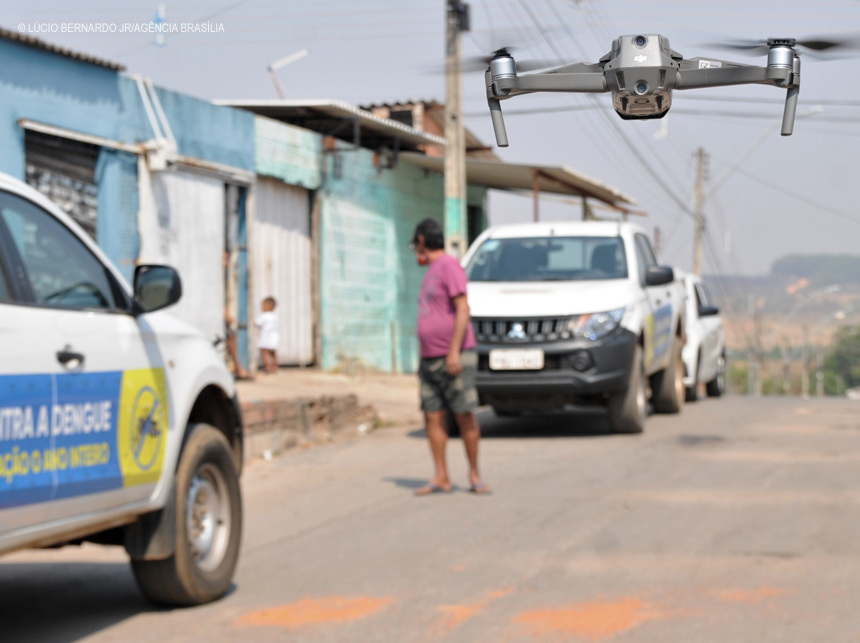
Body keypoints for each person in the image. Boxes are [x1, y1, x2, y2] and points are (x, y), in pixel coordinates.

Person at [411, 218, 489, 495]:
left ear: (421, 241)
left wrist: (454, 350)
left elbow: (463, 309)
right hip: (430, 359)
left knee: (464, 414)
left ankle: (475, 475)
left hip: (454, 356)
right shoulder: (431, 272)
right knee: (433, 416)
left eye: (415, 245)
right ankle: (441, 476)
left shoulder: (449, 266)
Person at [256, 296, 280, 374]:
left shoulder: (264, 316)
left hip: (265, 337)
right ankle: (275, 366)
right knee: (273, 353)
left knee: (265, 352)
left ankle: (267, 367)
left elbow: (257, 323)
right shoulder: (275, 316)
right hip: (274, 338)